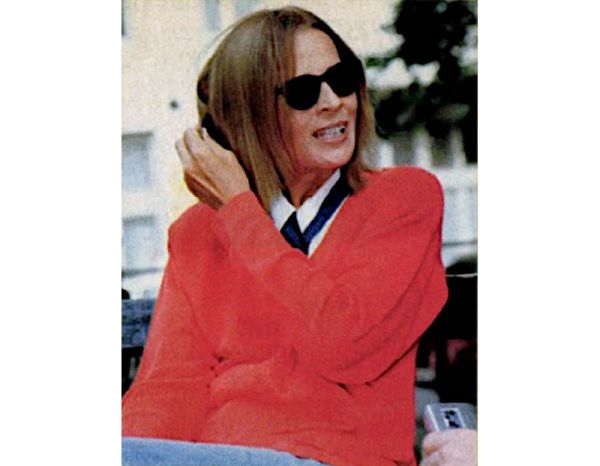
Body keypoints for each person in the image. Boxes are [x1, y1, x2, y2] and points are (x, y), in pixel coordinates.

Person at [122, 6, 448, 466]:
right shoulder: (199, 233)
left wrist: (240, 214)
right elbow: (168, 389)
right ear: (250, 115)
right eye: (303, 91)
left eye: (342, 79)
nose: (334, 101)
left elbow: (346, 345)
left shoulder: (405, 200)